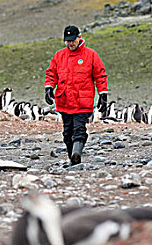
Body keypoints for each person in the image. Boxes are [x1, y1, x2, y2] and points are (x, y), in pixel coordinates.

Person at [44, 25, 108, 165]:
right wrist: (49, 88)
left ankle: (76, 153)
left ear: (79, 37)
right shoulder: (59, 56)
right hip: (64, 100)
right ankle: (72, 159)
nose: (70, 43)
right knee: (67, 133)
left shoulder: (90, 55)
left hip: (82, 102)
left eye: (72, 40)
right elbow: (51, 74)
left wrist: (103, 94)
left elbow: (100, 75)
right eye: (67, 41)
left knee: (79, 129)